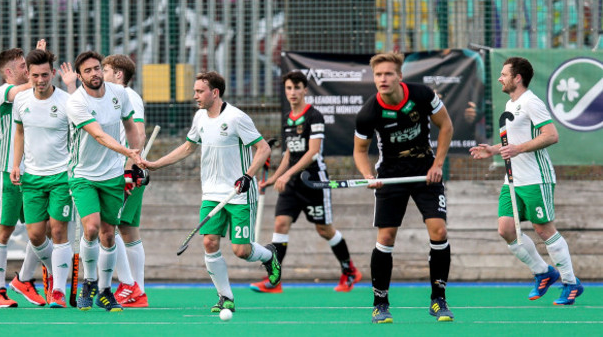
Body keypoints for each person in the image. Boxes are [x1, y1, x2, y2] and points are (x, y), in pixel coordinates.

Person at [142, 71, 280, 313]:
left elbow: (263, 148)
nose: (195, 96)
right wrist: (156, 163)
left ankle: (268, 255)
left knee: (242, 251)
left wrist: (248, 176)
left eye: (199, 91)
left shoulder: (237, 118)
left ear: (214, 93)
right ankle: (225, 297)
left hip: (238, 194)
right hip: (211, 193)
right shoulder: (199, 118)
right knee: (209, 242)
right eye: (195, 91)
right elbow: (187, 147)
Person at [469, 57, 583, 305]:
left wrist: (518, 149)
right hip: (512, 180)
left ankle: (571, 283)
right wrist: (493, 150)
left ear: (517, 77)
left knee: (543, 229)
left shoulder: (532, 102)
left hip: (535, 178)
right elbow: (513, 144)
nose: (500, 78)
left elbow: (551, 136)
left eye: (504, 74)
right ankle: (543, 272)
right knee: (506, 229)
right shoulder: (511, 105)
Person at [353, 52, 454, 323]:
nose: (382, 79)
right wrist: (367, 175)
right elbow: (360, 151)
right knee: (385, 238)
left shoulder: (421, 95)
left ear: (399, 76)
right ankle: (380, 303)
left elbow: (446, 126)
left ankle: (438, 300)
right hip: (390, 175)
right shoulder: (369, 111)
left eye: (388, 74)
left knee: (439, 230)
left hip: (425, 171)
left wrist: (438, 165)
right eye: (378, 75)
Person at [250, 70, 361, 293]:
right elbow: (289, 154)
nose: (292, 92)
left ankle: (349, 271)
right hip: (292, 184)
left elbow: (312, 152)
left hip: (314, 182)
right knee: (281, 224)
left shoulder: (315, 116)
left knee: (324, 229)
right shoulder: (287, 119)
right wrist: (273, 179)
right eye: (289, 88)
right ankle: (274, 279)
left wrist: (287, 175)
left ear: (305, 90)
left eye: (297, 88)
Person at [65, 51, 144, 312]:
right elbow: (98, 135)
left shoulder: (118, 94)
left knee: (109, 235)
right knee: (91, 228)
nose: (94, 73)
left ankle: (105, 290)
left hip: (112, 175)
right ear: (80, 76)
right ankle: (89, 281)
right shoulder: (76, 102)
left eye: (97, 68)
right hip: (83, 175)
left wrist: (136, 157)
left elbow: (131, 125)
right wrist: (127, 152)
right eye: (87, 71)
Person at [10, 48, 72, 308]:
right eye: (35, 75)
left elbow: (82, 135)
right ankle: (57, 270)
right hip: (32, 177)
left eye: (45, 75)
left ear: (53, 74)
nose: (40, 80)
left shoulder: (68, 101)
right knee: (35, 235)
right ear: (29, 75)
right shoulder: (21, 101)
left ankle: (58, 289)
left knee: (58, 230)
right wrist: (16, 164)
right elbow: (20, 133)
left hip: (62, 175)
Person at [0, 43, 47, 308]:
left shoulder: (29, 95)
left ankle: (23, 279)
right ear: (10, 72)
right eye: (24, 67)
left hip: (31, 172)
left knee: (40, 229)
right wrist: (39, 69)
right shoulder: (4, 92)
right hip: (4, 171)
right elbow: (28, 88)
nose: (30, 71)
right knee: (4, 229)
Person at [102, 54, 148, 307]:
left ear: (118, 74)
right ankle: (137, 290)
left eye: (106, 70)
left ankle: (131, 286)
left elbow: (138, 132)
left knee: (107, 226)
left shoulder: (127, 96)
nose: (101, 74)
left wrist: (130, 171)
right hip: (121, 169)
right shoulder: (112, 97)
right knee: (127, 229)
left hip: (124, 171)